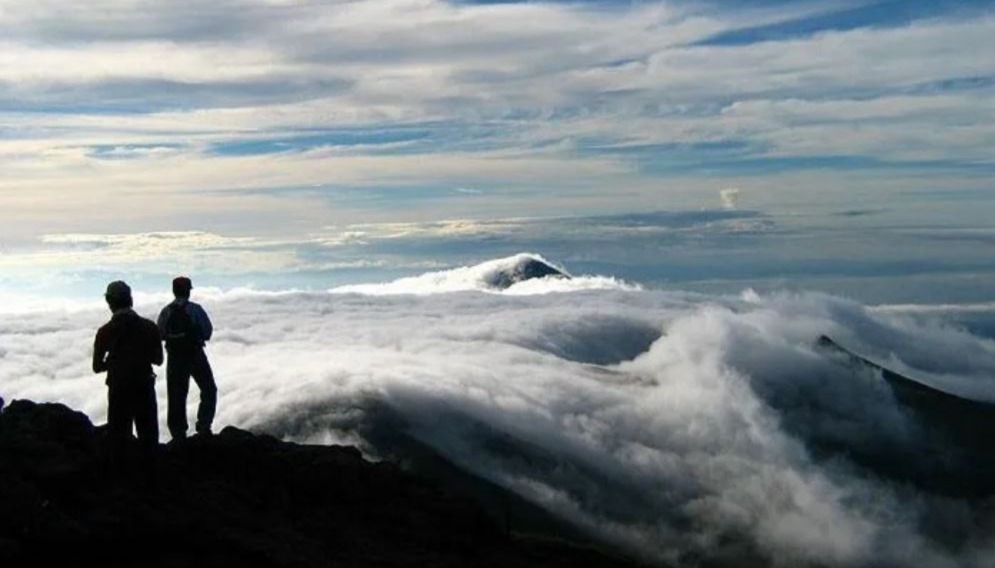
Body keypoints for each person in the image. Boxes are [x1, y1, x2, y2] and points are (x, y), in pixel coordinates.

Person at [92, 280, 163, 454]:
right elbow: (158, 360)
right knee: (148, 438)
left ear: (109, 302)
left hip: (118, 387)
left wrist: (114, 362)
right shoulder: (149, 327)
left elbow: (97, 366)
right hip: (144, 385)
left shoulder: (105, 331)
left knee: (119, 439)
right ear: (130, 299)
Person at [158, 276, 217, 440]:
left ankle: (178, 433)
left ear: (174, 291)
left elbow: (160, 334)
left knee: (176, 395)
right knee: (208, 388)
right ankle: (204, 426)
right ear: (188, 291)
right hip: (195, 354)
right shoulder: (196, 309)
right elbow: (207, 332)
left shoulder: (166, 311)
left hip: (175, 357)